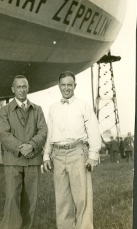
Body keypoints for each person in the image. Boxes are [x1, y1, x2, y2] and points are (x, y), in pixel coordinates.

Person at [43, 71, 101, 229]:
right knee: (62, 199)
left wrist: (93, 155)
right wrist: (46, 156)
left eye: (70, 85)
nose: (66, 88)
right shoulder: (53, 108)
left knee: (82, 198)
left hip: (77, 152)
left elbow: (94, 131)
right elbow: (50, 133)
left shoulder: (83, 105)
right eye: (63, 85)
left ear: (75, 86)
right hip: (58, 155)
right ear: (59, 86)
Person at [0, 75, 47, 229]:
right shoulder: (4, 110)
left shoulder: (37, 109)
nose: (21, 90)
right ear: (13, 89)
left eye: (24, 86)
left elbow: (43, 131)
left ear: (28, 88)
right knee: (12, 197)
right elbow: (4, 134)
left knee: (31, 200)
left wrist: (32, 145)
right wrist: (22, 147)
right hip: (13, 160)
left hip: (33, 160)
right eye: (18, 87)